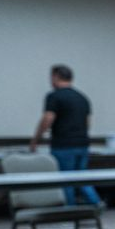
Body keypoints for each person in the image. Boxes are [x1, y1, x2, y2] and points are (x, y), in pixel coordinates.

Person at [30, 64, 102, 207]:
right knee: (82, 178)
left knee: (65, 179)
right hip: (82, 144)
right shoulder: (82, 98)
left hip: (63, 145)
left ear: (56, 77)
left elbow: (47, 119)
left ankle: (70, 210)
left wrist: (36, 140)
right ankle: (96, 205)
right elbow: (87, 123)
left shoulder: (54, 96)